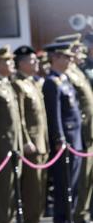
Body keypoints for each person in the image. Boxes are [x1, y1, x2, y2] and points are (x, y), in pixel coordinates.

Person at [54, 34, 93, 222]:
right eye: (75, 49)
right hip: (78, 133)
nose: (79, 53)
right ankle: (79, 215)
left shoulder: (77, 72)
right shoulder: (65, 75)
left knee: (85, 179)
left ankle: (81, 213)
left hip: (86, 132)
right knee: (78, 181)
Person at [42, 42, 83, 222]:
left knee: (73, 185)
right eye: (65, 57)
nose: (69, 60)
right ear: (55, 58)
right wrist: (59, 138)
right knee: (64, 185)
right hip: (65, 141)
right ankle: (62, 219)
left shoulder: (64, 79)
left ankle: (69, 217)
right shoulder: (51, 82)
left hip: (75, 140)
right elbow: (54, 113)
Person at [0, 45, 26, 222]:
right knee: (1, 192)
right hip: (1, 148)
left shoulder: (6, 84)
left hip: (14, 146)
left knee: (11, 190)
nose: (12, 63)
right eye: (7, 60)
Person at [12, 45, 49, 223]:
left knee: (40, 191)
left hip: (42, 144)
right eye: (32, 60)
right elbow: (20, 118)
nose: (37, 63)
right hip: (31, 146)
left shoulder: (33, 82)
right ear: (21, 63)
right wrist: (26, 140)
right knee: (32, 193)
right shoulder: (17, 84)